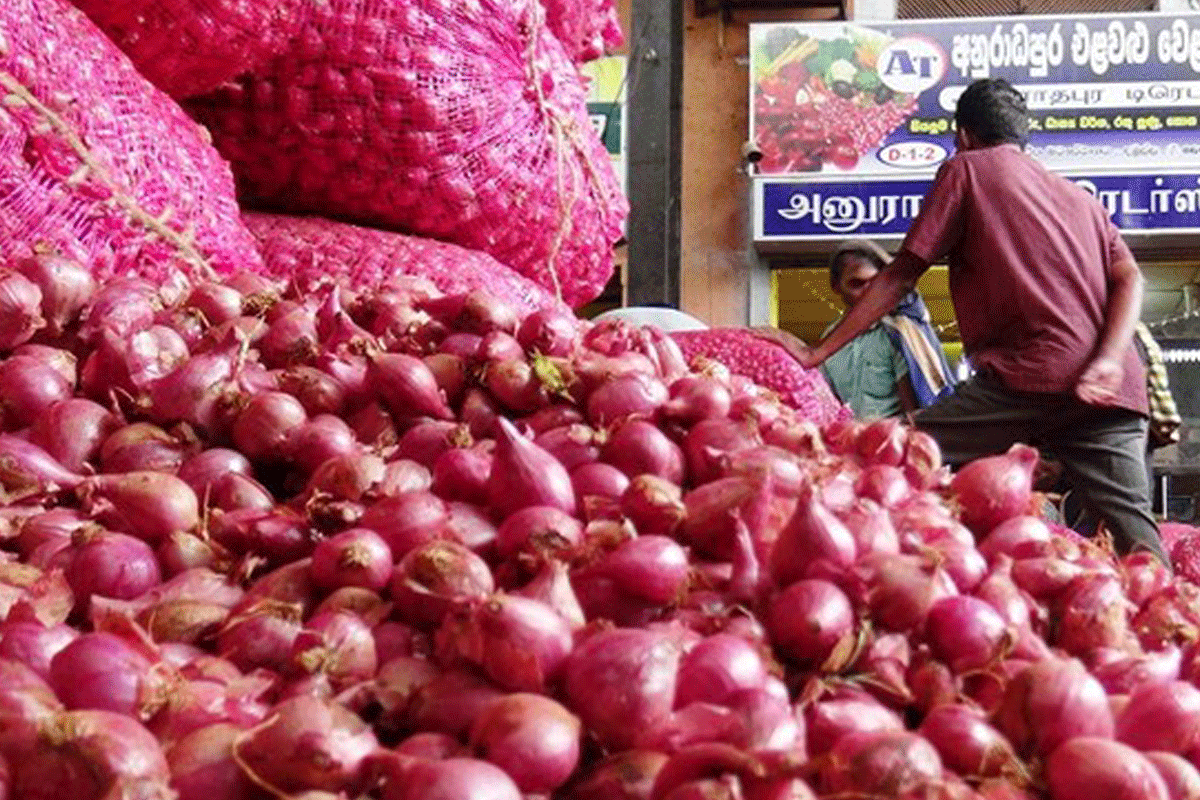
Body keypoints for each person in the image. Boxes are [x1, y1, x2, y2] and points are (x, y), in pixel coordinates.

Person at [755, 78, 1167, 563]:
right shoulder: (1084, 201)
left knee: (886, 448)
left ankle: (825, 548)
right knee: (1140, 545)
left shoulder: (966, 168)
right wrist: (1109, 358)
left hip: (1025, 378)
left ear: (963, 136)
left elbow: (901, 275)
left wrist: (815, 351)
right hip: (1109, 394)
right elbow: (1130, 277)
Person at [821, 239, 955, 418]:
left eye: (875, 283)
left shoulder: (897, 332)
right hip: (849, 434)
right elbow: (828, 405)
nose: (868, 292)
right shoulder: (830, 339)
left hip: (896, 433)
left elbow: (914, 412)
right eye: (856, 284)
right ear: (836, 287)